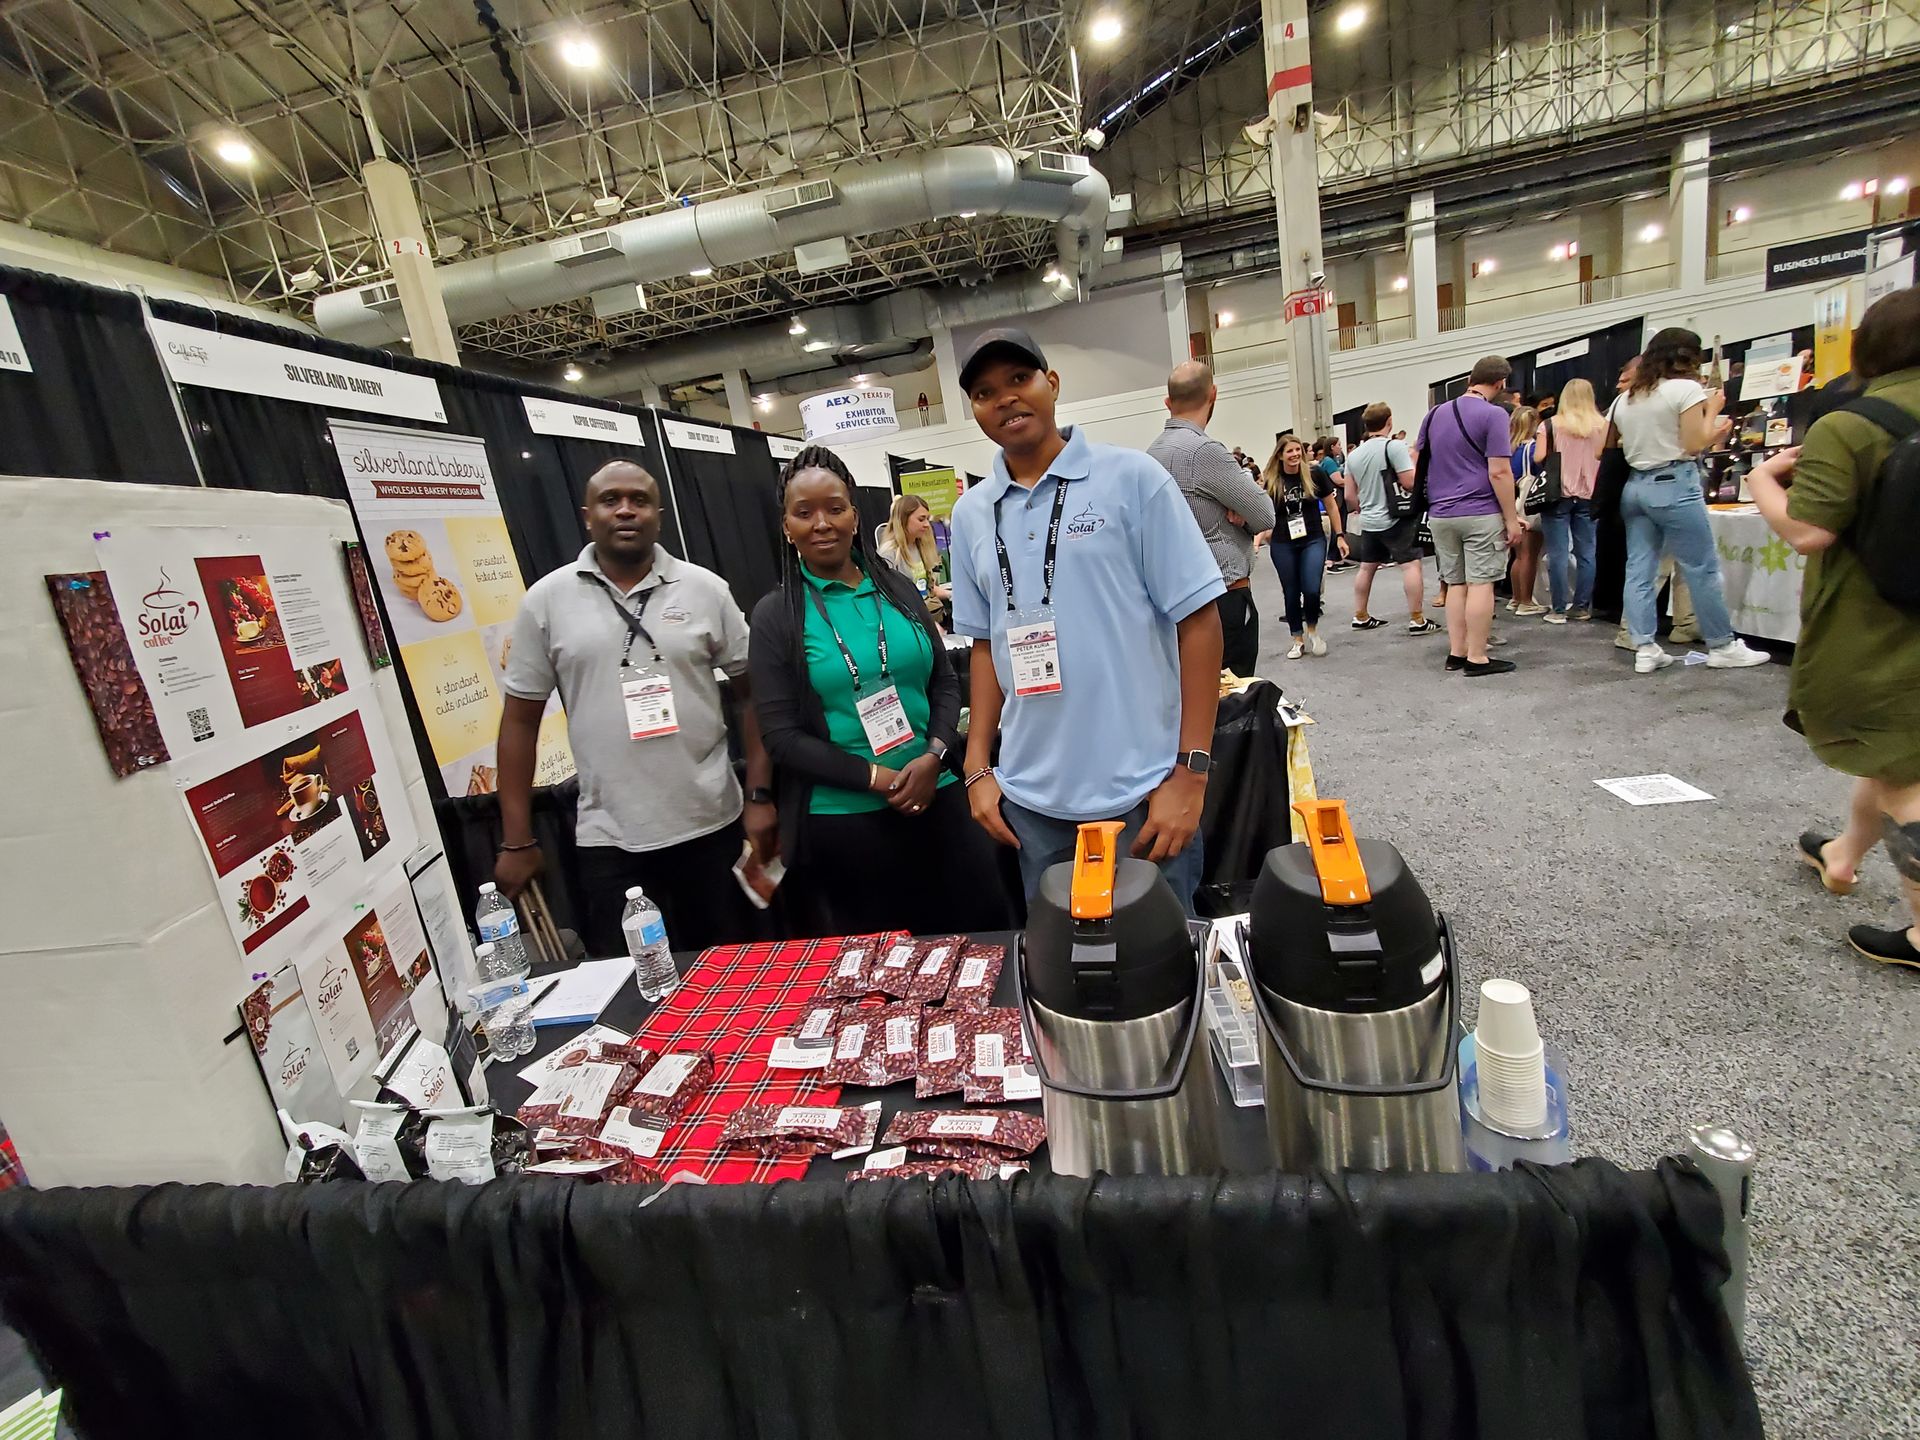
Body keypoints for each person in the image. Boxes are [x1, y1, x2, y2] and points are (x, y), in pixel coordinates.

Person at [947, 327, 1225, 913]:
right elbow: (982, 646)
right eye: (984, 391)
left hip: (1144, 794)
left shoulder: (1133, 480)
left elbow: (1199, 621)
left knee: (1166, 973)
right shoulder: (971, 514)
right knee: (1068, 977)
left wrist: (1191, 774)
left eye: (1019, 380)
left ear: (1051, 383)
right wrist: (977, 765)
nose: (1005, 399)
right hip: (1032, 806)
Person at [497, 460, 775, 957]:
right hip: (609, 841)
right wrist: (517, 839)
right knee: (634, 993)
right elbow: (520, 722)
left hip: (714, 827)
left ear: (659, 516)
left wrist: (758, 795)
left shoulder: (705, 590)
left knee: (732, 975)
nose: (625, 510)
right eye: (610, 500)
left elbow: (754, 695)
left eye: (639, 500)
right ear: (587, 516)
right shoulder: (546, 601)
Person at [747, 446, 1013, 937]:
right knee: (881, 974)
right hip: (846, 823)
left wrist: (934, 754)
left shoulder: (898, 587)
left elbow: (944, 680)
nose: (821, 523)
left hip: (940, 795)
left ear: (854, 514)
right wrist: (878, 778)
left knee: (980, 943)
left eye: (834, 507)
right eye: (804, 513)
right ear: (787, 527)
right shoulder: (776, 616)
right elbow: (781, 736)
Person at [1745, 285, 1920, 970]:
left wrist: (1763, 479)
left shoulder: (1851, 424)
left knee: (1901, 770)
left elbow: (1809, 529)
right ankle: (1843, 856)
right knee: (1895, 753)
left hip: (1882, 620)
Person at [1608, 327, 1770, 674]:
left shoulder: (1626, 398)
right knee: (1701, 567)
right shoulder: (1686, 389)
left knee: (1639, 569)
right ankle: (1722, 645)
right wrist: (1714, 413)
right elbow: (1696, 443)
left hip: (1635, 487)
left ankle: (1644, 646)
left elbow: (1603, 447)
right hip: (1674, 483)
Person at [1147, 360, 1277, 676]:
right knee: (1233, 698)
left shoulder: (1152, 454)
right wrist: (1242, 513)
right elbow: (1264, 515)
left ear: (1167, 403)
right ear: (1213, 394)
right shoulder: (1204, 451)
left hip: (1180, 600)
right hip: (1223, 597)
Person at [1416, 355, 1524, 677]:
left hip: (1440, 514)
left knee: (1455, 583)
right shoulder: (1493, 416)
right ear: (1500, 384)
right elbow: (1500, 472)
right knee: (1482, 584)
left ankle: (1457, 651)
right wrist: (1510, 519)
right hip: (1480, 512)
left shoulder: (1434, 414)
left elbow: (1420, 458)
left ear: (1469, 379)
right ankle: (1477, 657)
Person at [1345, 402, 1438, 635]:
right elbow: (1408, 482)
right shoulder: (1394, 447)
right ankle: (1417, 619)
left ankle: (1360, 615)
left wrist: (1363, 507)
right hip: (1396, 518)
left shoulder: (1354, 455)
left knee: (1367, 567)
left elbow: (1349, 496)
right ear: (1389, 421)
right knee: (1410, 565)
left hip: (1369, 520)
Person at [1263, 434, 1349, 659]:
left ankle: (1312, 629)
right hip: (1283, 542)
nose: (1294, 455)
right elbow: (1262, 510)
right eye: (1289, 451)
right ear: (1280, 455)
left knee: (1311, 588)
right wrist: (1260, 534)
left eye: (1297, 450)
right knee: (1291, 591)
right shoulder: (1272, 479)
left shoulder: (1314, 473)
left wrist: (1340, 535)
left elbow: (1331, 505)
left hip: (1312, 538)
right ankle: (1297, 639)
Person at [1536, 378, 1606, 623]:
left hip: (1557, 494)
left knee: (1557, 553)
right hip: (1589, 495)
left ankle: (1558, 609)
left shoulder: (1550, 425)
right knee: (1587, 552)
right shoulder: (1603, 425)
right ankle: (1582, 607)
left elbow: (1539, 457)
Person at [876, 493, 951, 626]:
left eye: (927, 519)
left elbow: (930, 590)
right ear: (903, 520)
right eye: (921, 519)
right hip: (909, 624)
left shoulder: (921, 547)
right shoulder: (888, 554)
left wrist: (954, 595)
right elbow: (889, 601)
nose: (927, 524)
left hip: (930, 619)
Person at [1505, 406, 1548, 617]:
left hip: (1512, 504)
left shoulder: (1509, 449)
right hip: (1528, 505)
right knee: (1529, 555)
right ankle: (1526, 601)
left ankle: (1515, 597)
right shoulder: (1532, 450)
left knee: (1517, 555)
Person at [1314, 437, 1353, 572]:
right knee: (1337, 526)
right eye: (1338, 445)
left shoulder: (1333, 460)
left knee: (1341, 524)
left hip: (1337, 495)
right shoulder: (1329, 462)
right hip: (1336, 496)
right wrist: (1353, 483)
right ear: (1332, 447)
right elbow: (1338, 480)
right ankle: (1331, 559)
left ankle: (1338, 557)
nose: (1340, 447)